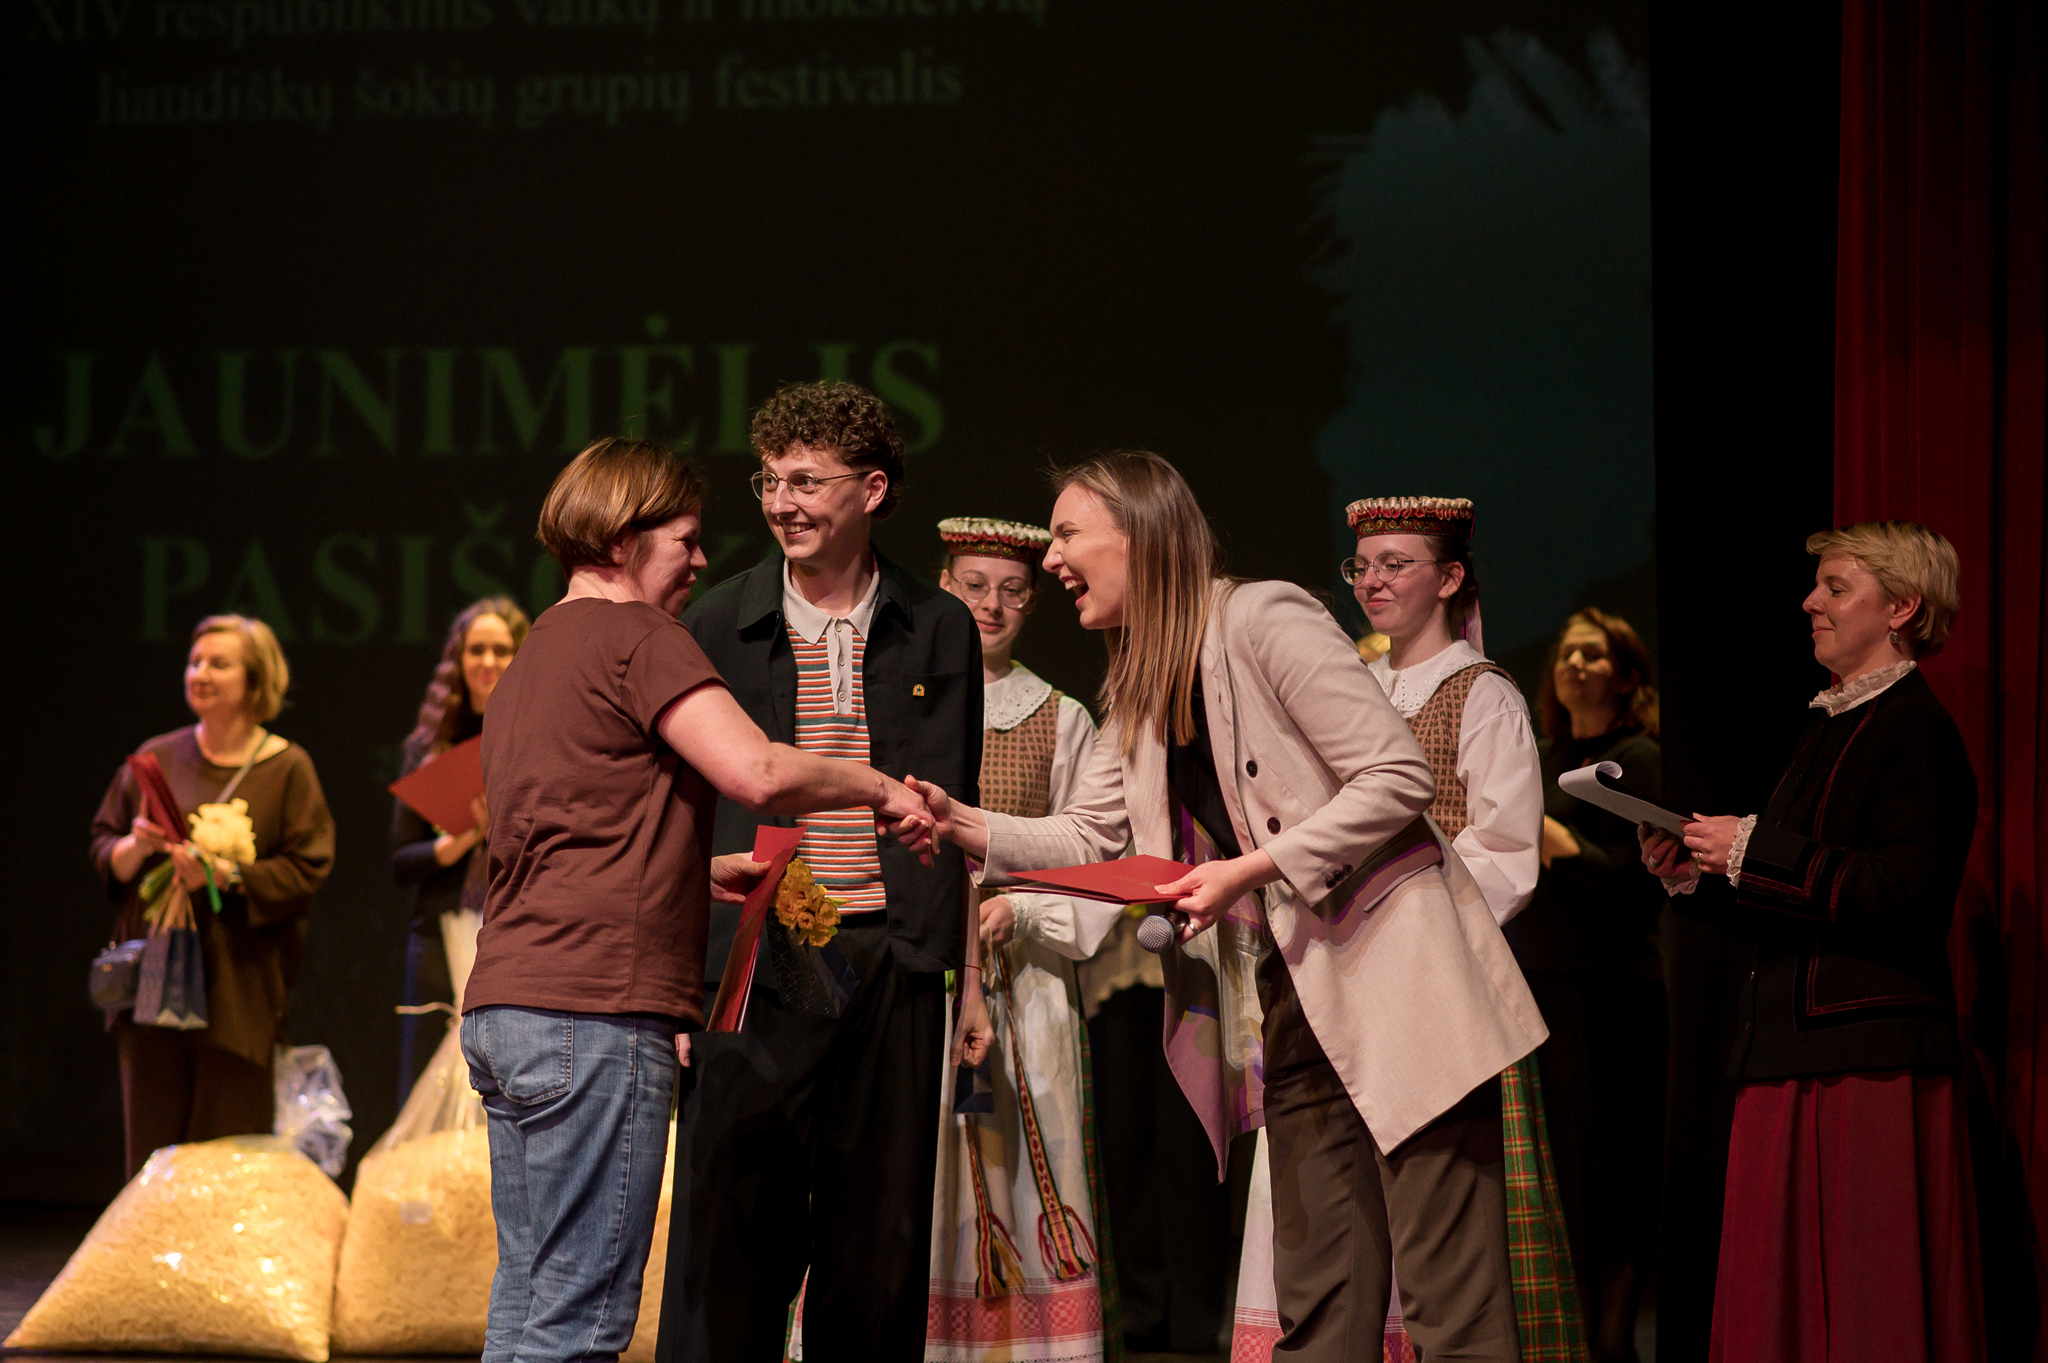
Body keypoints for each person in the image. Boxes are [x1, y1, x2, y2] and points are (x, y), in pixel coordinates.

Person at [907, 453, 1547, 1363]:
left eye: (1068, 533)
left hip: (1403, 984)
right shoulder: (1141, 676)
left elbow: (1397, 774)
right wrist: (958, 820)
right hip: (1296, 997)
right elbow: (1089, 831)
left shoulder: (1263, 617)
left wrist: (1251, 869)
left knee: (1449, 1299)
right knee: (1319, 1293)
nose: (1052, 558)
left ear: (1139, 534)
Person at [459, 437, 936, 1363]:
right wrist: (878, 786)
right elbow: (757, 772)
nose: (702, 558)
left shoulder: (533, 655)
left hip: (508, 1010)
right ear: (623, 538)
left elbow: (565, 830)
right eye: (683, 538)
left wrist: (694, 872)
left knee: (527, 1301)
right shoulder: (640, 639)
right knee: (582, 1320)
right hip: (593, 1015)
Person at [658, 382, 992, 1363]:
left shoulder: (938, 626)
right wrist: (679, 987)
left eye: (805, 480)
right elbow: (681, 816)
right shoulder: (718, 622)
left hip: (891, 951)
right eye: (768, 480)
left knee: (877, 1239)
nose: (781, 502)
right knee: (734, 1231)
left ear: (871, 489)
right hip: (765, 951)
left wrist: (969, 980)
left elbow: (954, 816)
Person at [1642, 521, 1984, 1361]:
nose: (1810, 602)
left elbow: (1904, 894)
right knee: (1781, 1294)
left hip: (1865, 1058)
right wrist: (1698, 874)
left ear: (1901, 607)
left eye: (1836, 587)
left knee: (1866, 1289)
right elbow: (1794, 899)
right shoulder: (1825, 728)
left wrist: (1755, 849)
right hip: (1790, 1049)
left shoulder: (1916, 730)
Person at [1345, 495, 1582, 1362]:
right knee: (1356, 1210)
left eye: (1395, 564)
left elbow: (1507, 852)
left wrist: (1405, 913)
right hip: (1352, 974)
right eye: (1362, 565)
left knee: (1449, 1214)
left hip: (1439, 978)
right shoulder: (1356, 692)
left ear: (1449, 579)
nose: (1372, 580)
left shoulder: (1482, 694)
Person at [925, 516, 1119, 1361]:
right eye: (974, 586)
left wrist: (1025, 910)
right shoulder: (910, 698)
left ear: (1033, 600)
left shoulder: (1061, 717)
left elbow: (1095, 855)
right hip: (923, 971)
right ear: (944, 586)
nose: (991, 605)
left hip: (1025, 982)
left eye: (1010, 590)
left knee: (1024, 1159)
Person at [91, 614, 335, 1178]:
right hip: (153, 987)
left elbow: (307, 869)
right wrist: (136, 845)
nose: (200, 673)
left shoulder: (287, 768)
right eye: (195, 661)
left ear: (255, 681)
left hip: (236, 991)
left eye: (219, 664)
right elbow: (104, 846)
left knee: (225, 1160)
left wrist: (227, 877)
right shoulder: (156, 758)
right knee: (150, 1156)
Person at [1520, 609, 1667, 1361]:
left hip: (1605, 994)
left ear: (1628, 675)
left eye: (1594, 654)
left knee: (1609, 1175)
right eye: (1566, 653)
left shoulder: (1634, 759)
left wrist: (1553, 839)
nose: (1575, 664)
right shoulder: (1539, 757)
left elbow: (1635, 885)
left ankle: (1610, 1344)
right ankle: (1559, 1336)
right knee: (1555, 1176)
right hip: (1536, 987)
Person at [390, 596, 529, 1105]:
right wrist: (467, 836)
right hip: (439, 932)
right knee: (427, 1083)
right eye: (476, 650)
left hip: (514, 930)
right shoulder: (429, 747)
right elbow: (402, 861)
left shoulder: (536, 737)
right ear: (458, 659)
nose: (487, 662)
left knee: (509, 1081)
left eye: (501, 650)